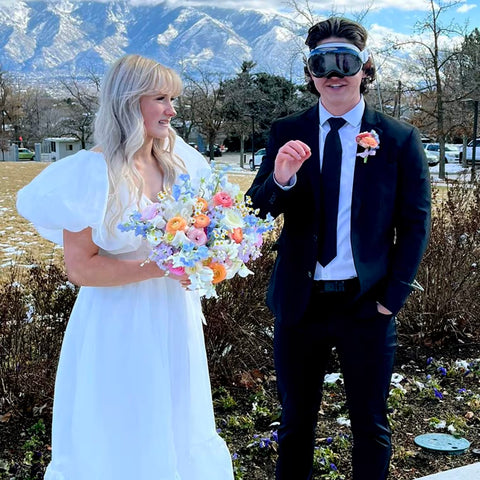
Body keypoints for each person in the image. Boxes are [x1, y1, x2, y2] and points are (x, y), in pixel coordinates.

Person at [17, 54, 234, 480]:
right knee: (122, 423)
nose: (172, 110)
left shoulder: (179, 164)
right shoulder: (91, 173)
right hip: (118, 323)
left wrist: (213, 253)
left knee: (176, 418)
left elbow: (204, 227)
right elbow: (80, 269)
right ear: (129, 102)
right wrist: (158, 268)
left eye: (173, 99)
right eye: (161, 98)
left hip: (175, 316)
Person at [246, 17, 431, 480]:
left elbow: (415, 223)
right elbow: (257, 211)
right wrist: (282, 178)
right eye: (320, 63)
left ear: (364, 68)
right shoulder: (287, 129)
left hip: (367, 305)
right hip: (299, 304)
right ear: (309, 73)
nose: (334, 73)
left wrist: (393, 298)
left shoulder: (399, 138)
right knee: (294, 426)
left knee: (370, 426)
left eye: (344, 62)